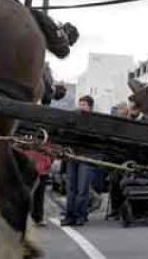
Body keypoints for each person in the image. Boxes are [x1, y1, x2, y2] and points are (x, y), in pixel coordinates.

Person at [61, 95, 95, 227]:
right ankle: (70, 216)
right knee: (71, 189)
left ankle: (81, 215)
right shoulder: (73, 118)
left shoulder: (94, 120)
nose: (81, 107)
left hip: (85, 157)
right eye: (80, 104)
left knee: (82, 189)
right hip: (72, 156)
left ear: (90, 107)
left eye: (84, 104)